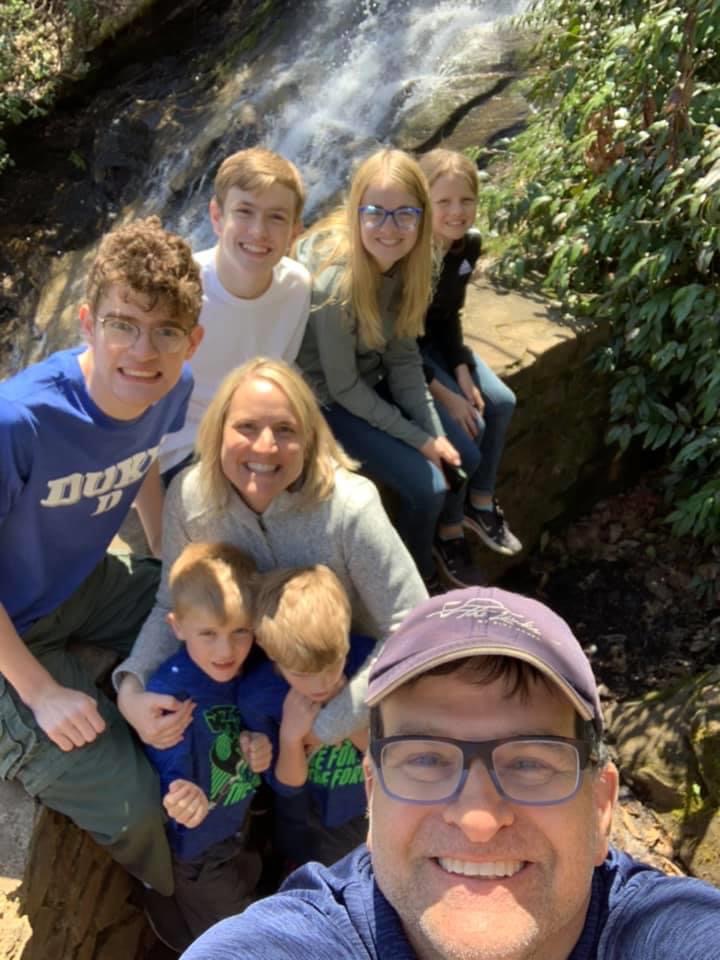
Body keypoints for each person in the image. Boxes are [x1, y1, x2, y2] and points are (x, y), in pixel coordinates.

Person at [180, 586, 720, 960]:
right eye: (426, 759)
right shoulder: (304, 939)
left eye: (530, 762)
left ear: (601, 807)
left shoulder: (665, 932)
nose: (479, 819)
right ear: (372, 795)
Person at [0, 216, 203, 898]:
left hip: (80, 584)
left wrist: (168, 559)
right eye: (122, 325)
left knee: (217, 624)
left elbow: (140, 462)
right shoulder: (18, 423)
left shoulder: (167, 388)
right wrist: (41, 693)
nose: (142, 352)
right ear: (87, 322)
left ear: (191, 340)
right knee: (140, 804)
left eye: (166, 332)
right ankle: (174, 898)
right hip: (8, 637)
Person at [115, 356, 427, 753]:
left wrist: (320, 729)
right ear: (217, 431)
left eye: (285, 430)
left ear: (310, 439)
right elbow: (170, 604)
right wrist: (131, 688)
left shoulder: (350, 508)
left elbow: (412, 631)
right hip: (249, 684)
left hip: (343, 683)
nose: (265, 446)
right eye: (246, 427)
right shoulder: (190, 499)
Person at [295, 148, 484, 592]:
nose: (389, 227)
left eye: (404, 214)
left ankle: (444, 538)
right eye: (376, 213)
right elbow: (343, 388)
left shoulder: (412, 265)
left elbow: (402, 358)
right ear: (355, 211)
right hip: (328, 399)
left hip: (373, 376)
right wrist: (421, 440)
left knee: (466, 458)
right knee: (429, 489)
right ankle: (415, 580)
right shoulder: (336, 285)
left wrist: (433, 433)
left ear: (421, 219)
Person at [144, 541, 272, 945]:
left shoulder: (237, 671)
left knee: (250, 895)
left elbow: (238, 732)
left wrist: (256, 745)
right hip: (199, 852)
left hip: (237, 826)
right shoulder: (171, 693)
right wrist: (181, 795)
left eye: (240, 632)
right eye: (209, 634)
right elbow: (169, 766)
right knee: (241, 942)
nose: (226, 650)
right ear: (177, 627)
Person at [159, 146, 311, 485]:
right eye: (245, 211)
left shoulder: (297, 286)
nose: (259, 231)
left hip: (254, 438)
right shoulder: (179, 288)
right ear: (216, 216)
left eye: (276, 217)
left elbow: (278, 373)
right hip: (180, 448)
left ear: (295, 230)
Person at [418, 148, 521, 558]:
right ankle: (449, 527)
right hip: (404, 353)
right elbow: (395, 344)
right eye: (443, 202)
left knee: (501, 401)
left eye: (466, 201)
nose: (457, 212)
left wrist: (461, 368)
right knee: (466, 435)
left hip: (438, 345)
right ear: (423, 203)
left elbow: (448, 315)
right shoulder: (407, 253)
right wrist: (448, 394)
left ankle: (480, 503)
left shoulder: (467, 246)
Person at [242, 564, 373, 869]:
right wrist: (290, 736)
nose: (322, 683)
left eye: (333, 664)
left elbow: (387, 755)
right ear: (267, 647)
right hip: (300, 821)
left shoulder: (367, 663)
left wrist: (344, 715)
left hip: (362, 810)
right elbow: (287, 785)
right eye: (303, 673)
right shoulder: (259, 696)